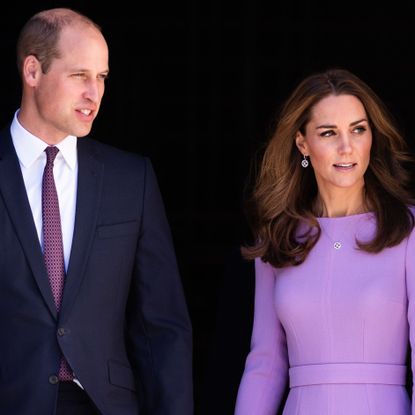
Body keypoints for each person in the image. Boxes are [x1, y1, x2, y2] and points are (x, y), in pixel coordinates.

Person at [0, 8, 193, 415]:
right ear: (32, 71)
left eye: (102, 77)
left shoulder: (131, 179)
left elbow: (162, 327)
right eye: (79, 76)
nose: (95, 93)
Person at [234, 68, 415, 414]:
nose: (347, 147)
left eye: (358, 130)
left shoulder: (407, 229)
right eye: (329, 133)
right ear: (303, 143)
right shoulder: (277, 236)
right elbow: (265, 363)